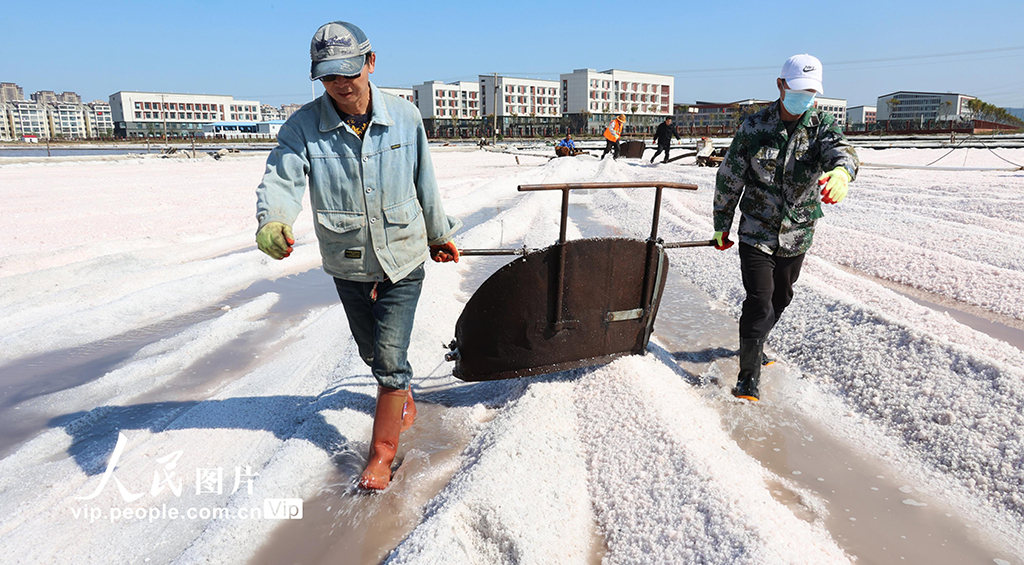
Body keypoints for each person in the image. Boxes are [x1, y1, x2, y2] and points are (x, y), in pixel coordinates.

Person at [254, 21, 462, 490]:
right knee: (372, 352)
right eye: (330, 77)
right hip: (346, 259)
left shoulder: (406, 117)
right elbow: (281, 178)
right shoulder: (302, 126)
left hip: (404, 256)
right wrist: (272, 221)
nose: (342, 85)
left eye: (349, 72)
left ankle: (381, 456)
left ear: (370, 62)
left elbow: (424, 181)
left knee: (389, 357)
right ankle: (399, 389)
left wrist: (439, 234)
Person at [712, 53, 859, 401]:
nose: (804, 97)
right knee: (759, 299)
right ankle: (748, 376)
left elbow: (844, 152)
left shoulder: (822, 125)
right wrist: (722, 224)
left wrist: (841, 172)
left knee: (782, 296)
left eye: (811, 91)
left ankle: (756, 342)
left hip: (797, 232)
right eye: (798, 89)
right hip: (756, 230)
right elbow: (730, 177)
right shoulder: (754, 126)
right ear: (780, 85)